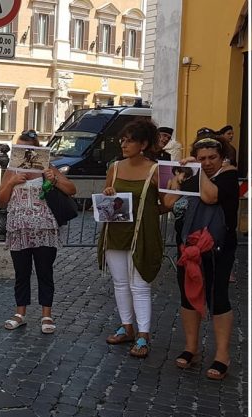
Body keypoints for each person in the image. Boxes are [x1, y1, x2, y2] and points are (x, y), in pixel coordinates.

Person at [163, 136, 239, 380]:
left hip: (217, 248)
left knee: (217, 298)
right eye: (202, 158)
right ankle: (191, 348)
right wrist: (177, 177)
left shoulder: (228, 177)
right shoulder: (190, 176)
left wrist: (199, 172)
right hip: (187, 246)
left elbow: (210, 197)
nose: (206, 163)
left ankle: (222, 354)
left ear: (222, 157)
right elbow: (168, 202)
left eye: (211, 158)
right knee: (187, 296)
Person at [0, 132, 76, 334]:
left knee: (44, 272)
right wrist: (12, 182)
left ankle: (46, 314)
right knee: (21, 273)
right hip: (19, 229)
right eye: (19, 149)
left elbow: (71, 189)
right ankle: (20, 313)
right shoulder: (11, 170)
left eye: (26, 149)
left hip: (45, 228)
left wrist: (54, 179)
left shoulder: (47, 167)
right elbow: (1, 200)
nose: (22, 153)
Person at [98, 119, 163, 358]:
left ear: (144, 143)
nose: (123, 145)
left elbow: (164, 204)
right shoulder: (115, 167)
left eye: (129, 140)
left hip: (141, 233)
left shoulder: (155, 170)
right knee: (120, 283)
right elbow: (107, 197)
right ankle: (126, 327)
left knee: (140, 285)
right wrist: (108, 194)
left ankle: (143, 334)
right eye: (122, 140)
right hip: (115, 232)